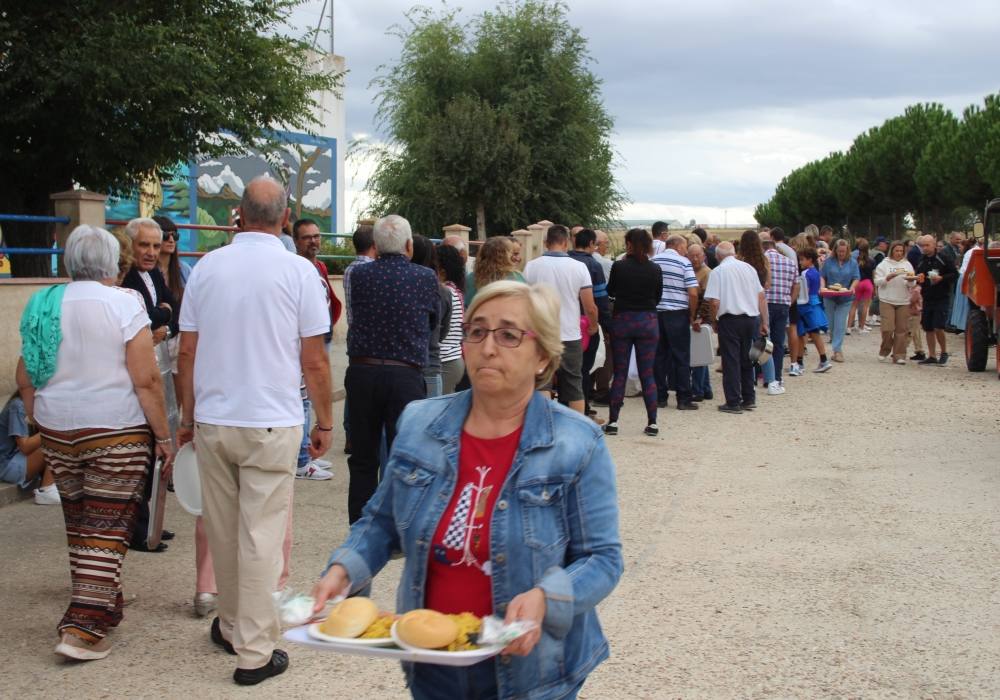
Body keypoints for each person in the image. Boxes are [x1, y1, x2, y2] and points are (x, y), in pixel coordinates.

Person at [311, 280, 623, 700]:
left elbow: (601, 558)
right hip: (434, 661)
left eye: (509, 335)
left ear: (543, 357)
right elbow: (382, 522)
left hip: (534, 671)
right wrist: (344, 570)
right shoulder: (421, 423)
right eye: (476, 331)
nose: (487, 347)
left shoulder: (577, 442)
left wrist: (548, 598)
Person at [176, 176, 333, 685]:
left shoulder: (206, 267)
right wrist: (326, 420)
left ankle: (228, 625)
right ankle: (256, 653)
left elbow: (186, 350)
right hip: (271, 418)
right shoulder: (299, 272)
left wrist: (187, 413)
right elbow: (314, 358)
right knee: (261, 537)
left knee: (221, 529)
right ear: (285, 218)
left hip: (216, 419)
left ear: (239, 214)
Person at [17, 225, 173, 660]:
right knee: (105, 525)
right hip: (115, 429)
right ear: (111, 263)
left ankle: (106, 600)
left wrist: (41, 414)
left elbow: (25, 376)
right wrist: (163, 436)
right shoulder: (125, 303)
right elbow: (146, 380)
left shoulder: (42, 303)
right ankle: (83, 627)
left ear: (69, 262)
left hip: (57, 430)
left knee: (82, 520)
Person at [342, 214, 439, 525]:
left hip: (363, 372)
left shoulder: (359, 276)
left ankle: (360, 525)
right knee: (405, 455)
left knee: (362, 459)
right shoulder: (425, 278)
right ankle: (399, 523)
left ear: (375, 246)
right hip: (405, 375)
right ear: (409, 246)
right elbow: (433, 321)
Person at [122, 216, 179, 552]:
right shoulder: (126, 276)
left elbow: (171, 305)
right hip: (137, 372)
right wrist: (161, 315)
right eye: (144, 245)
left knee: (155, 452)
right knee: (142, 451)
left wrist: (162, 316)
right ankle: (138, 529)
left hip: (159, 364)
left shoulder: (156, 272)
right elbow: (142, 317)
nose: (151, 252)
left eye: (156, 246)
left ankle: (151, 522)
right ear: (131, 244)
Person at [523, 225, 598, 414]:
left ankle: (544, 425)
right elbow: (589, 305)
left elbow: (525, 301)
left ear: (546, 243)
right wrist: (593, 325)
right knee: (574, 383)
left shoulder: (531, 266)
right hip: (570, 334)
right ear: (566, 243)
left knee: (542, 383)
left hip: (541, 333)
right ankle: (577, 428)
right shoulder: (579, 267)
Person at [292, 217, 342, 480]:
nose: (314, 241)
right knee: (302, 399)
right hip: (305, 344)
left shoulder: (318, 267)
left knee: (309, 399)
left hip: (321, 337)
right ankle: (301, 460)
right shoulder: (297, 269)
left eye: (316, 235)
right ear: (295, 241)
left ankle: (308, 454)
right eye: (307, 237)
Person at [604, 228, 663, 435]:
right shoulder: (655, 268)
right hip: (647, 320)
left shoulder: (619, 266)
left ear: (629, 243)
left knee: (620, 372)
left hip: (623, 320)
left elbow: (610, 291)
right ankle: (652, 422)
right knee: (647, 373)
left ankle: (613, 421)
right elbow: (658, 297)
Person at [704, 241, 767, 414]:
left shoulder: (718, 272)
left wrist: (714, 320)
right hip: (751, 318)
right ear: (734, 253)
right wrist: (764, 322)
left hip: (730, 319)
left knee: (731, 360)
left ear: (717, 256)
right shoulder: (749, 268)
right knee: (748, 359)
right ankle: (749, 398)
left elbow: (714, 301)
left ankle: (733, 401)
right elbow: (761, 296)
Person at [651, 234, 700, 410]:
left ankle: (660, 397)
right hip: (677, 313)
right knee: (681, 357)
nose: (686, 250)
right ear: (678, 246)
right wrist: (691, 313)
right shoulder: (683, 262)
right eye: (685, 247)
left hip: (656, 313)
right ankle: (683, 398)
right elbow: (693, 293)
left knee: (658, 356)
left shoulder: (653, 261)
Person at [568, 229, 610, 418]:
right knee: (584, 368)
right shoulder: (593, 265)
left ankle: (565, 405)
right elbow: (600, 299)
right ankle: (582, 408)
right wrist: (604, 325)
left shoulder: (565, 261)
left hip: (563, 321)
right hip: (586, 322)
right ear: (592, 243)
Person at [412, 234, 452, 398]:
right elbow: (443, 331)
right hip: (431, 365)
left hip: (404, 368)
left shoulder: (398, 287)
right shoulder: (442, 291)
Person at [0, 392, 58, 504]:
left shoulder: (39, 405)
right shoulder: (18, 406)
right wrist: (52, 429)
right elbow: (25, 447)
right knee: (56, 441)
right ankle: (47, 490)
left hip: (20, 458)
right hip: (6, 465)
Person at [761, 234, 798, 395]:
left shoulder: (762, 262)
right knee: (778, 343)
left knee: (762, 342)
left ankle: (762, 375)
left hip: (765, 304)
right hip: (783, 305)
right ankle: (776, 377)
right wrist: (789, 300)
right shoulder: (790, 262)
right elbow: (797, 285)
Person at [914, 234, 957, 365]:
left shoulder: (944, 258)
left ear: (934, 244)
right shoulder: (921, 260)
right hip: (927, 297)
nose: (925, 248)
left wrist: (942, 278)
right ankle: (932, 355)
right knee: (928, 327)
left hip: (942, 296)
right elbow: (919, 276)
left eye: (927, 245)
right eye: (923, 246)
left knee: (939, 326)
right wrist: (918, 283)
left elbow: (955, 274)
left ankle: (944, 352)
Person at [873, 241, 915, 364]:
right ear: (892, 251)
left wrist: (911, 281)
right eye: (896, 251)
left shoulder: (907, 265)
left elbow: (911, 283)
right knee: (887, 328)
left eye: (901, 251)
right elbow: (877, 281)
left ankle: (899, 355)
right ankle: (885, 349)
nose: (899, 253)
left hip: (903, 300)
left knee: (902, 329)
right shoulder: (883, 265)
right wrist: (888, 277)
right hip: (887, 299)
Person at [792, 248, 833, 374]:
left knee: (804, 334)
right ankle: (809, 360)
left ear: (809, 259)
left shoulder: (804, 274)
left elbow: (803, 292)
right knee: (812, 334)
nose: (800, 262)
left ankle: (806, 362)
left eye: (802, 259)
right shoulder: (816, 272)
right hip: (814, 303)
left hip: (805, 305)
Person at [820, 239, 860, 363]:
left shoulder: (852, 263)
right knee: (831, 324)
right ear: (835, 250)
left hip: (845, 297)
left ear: (847, 251)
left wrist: (852, 288)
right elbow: (822, 276)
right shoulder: (828, 262)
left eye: (844, 251)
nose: (841, 253)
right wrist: (822, 287)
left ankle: (837, 350)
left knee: (840, 323)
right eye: (839, 251)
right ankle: (835, 344)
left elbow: (856, 277)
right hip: (830, 296)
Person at [436, 244, 466, 394]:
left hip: (445, 361)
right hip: (453, 359)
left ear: (441, 271)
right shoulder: (455, 290)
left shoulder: (444, 292)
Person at [687, 243, 713, 401]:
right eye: (692, 256)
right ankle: (706, 388)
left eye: (698, 255)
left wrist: (699, 317)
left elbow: (707, 298)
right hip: (693, 317)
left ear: (703, 256)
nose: (695, 258)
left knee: (698, 355)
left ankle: (698, 390)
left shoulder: (707, 273)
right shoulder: (689, 270)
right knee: (700, 353)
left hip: (700, 318)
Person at [465, 236, 524, 306]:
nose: (515, 258)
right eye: (512, 253)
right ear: (505, 256)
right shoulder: (515, 278)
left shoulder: (470, 278)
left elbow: (466, 304)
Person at [847, 239, 875, 334]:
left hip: (857, 282)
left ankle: (849, 327)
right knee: (865, 307)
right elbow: (873, 275)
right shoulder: (871, 260)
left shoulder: (854, 259)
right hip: (868, 283)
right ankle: (861, 328)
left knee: (853, 306)